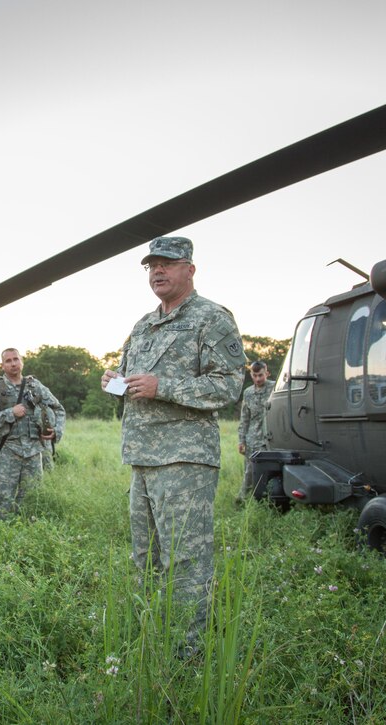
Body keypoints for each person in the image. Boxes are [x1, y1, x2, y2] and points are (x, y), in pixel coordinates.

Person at [101, 236, 245, 657]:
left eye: (167, 263)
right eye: (151, 265)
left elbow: (229, 384)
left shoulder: (211, 318)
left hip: (184, 458)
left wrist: (165, 387)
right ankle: (153, 641)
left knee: (185, 560)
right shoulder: (144, 324)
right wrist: (114, 381)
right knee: (145, 558)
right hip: (142, 457)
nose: (158, 271)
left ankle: (188, 656)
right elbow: (132, 381)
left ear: (190, 269)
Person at [0, 348, 65, 516]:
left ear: (22, 361)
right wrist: (10, 413)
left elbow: (58, 409)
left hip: (34, 451)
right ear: (2, 365)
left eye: (16, 359)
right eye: (8, 361)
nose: (13, 363)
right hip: (7, 450)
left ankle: (28, 535)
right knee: (1, 500)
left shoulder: (35, 386)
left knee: (31, 500)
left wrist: (55, 431)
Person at [237, 360, 275, 502]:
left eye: (261, 375)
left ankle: (269, 499)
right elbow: (244, 418)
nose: (258, 379)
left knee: (271, 471)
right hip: (252, 439)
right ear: (251, 375)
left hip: (271, 438)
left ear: (267, 373)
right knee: (249, 472)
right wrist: (241, 440)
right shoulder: (248, 393)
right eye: (255, 375)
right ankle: (243, 500)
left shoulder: (275, 388)